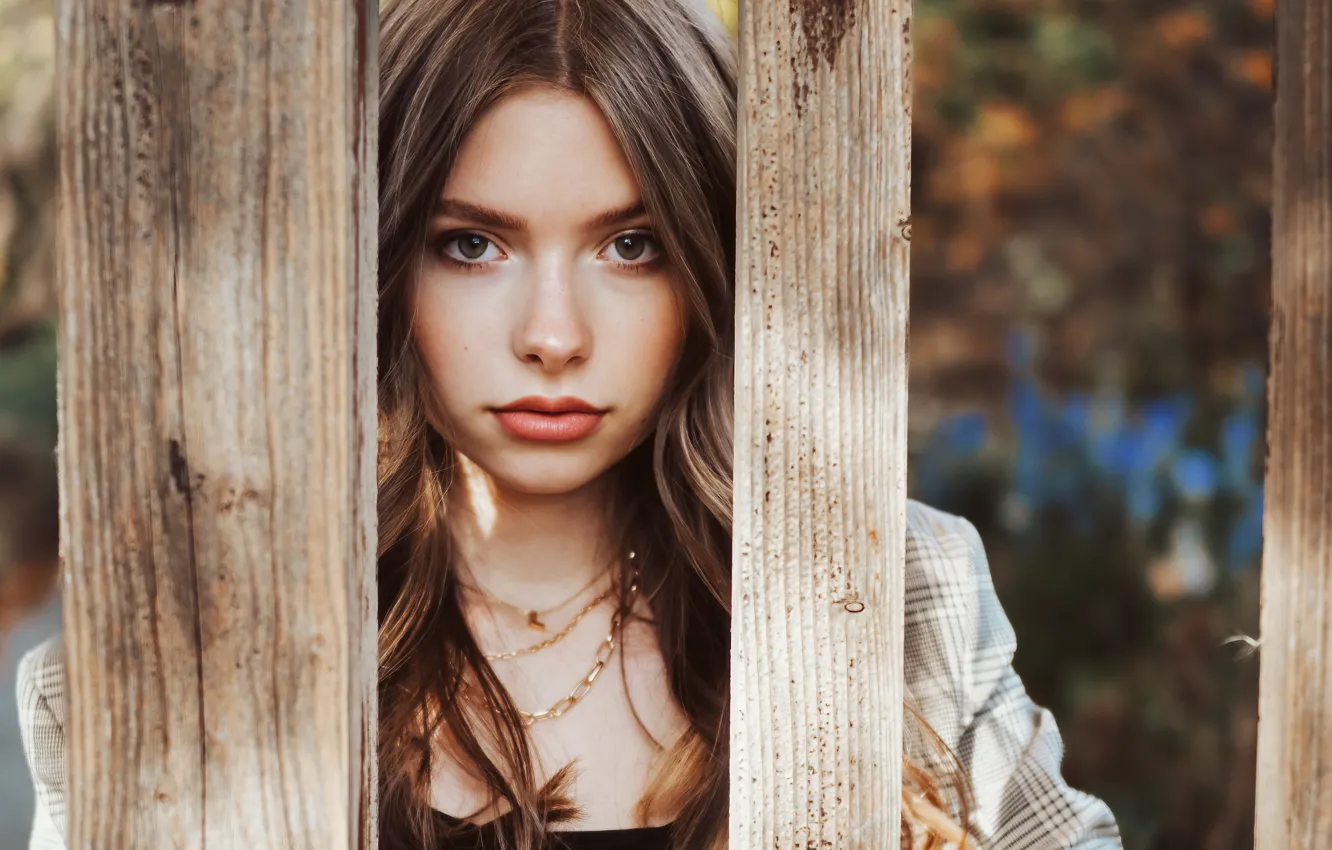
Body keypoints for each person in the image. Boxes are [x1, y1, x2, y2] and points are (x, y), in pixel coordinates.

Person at [19, 0, 1124, 847]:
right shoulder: (166, 664)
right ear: (376, 259)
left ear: (707, 266)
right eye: (471, 245)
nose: (554, 334)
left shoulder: (904, 592)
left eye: (630, 245)